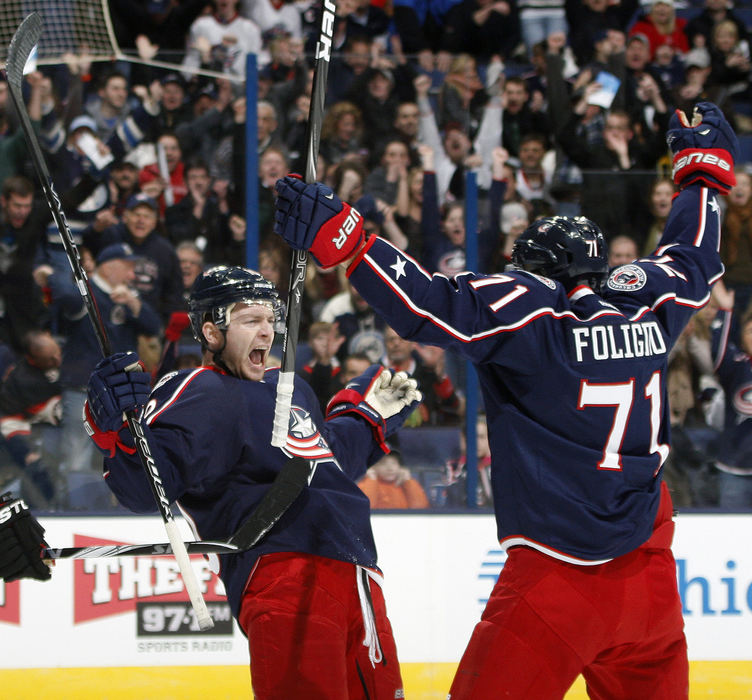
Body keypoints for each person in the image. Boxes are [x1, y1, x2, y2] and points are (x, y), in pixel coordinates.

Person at [272, 102, 738, 697]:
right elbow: (692, 257)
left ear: (539, 269)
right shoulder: (644, 300)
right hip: (650, 577)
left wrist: (351, 241)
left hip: (557, 579)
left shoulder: (532, 308)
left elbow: (426, 305)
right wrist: (703, 175)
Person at [80, 266, 420, 697]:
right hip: (284, 575)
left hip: (360, 578)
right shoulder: (197, 390)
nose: (267, 332)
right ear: (212, 332)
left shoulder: (291, 389)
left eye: (270, 319)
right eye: (250, 320)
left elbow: (322, 461)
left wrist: (364, 419)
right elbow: (147, 487)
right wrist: (115, 432)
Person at [357, 449, 430, 509]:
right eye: (383, 463)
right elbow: (365, 509)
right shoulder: (364, 484)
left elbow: (420, 507)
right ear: (373, 467)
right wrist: (371, 479)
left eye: (394, 463)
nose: (390, 468)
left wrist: (408, 481)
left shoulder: (406, 484)